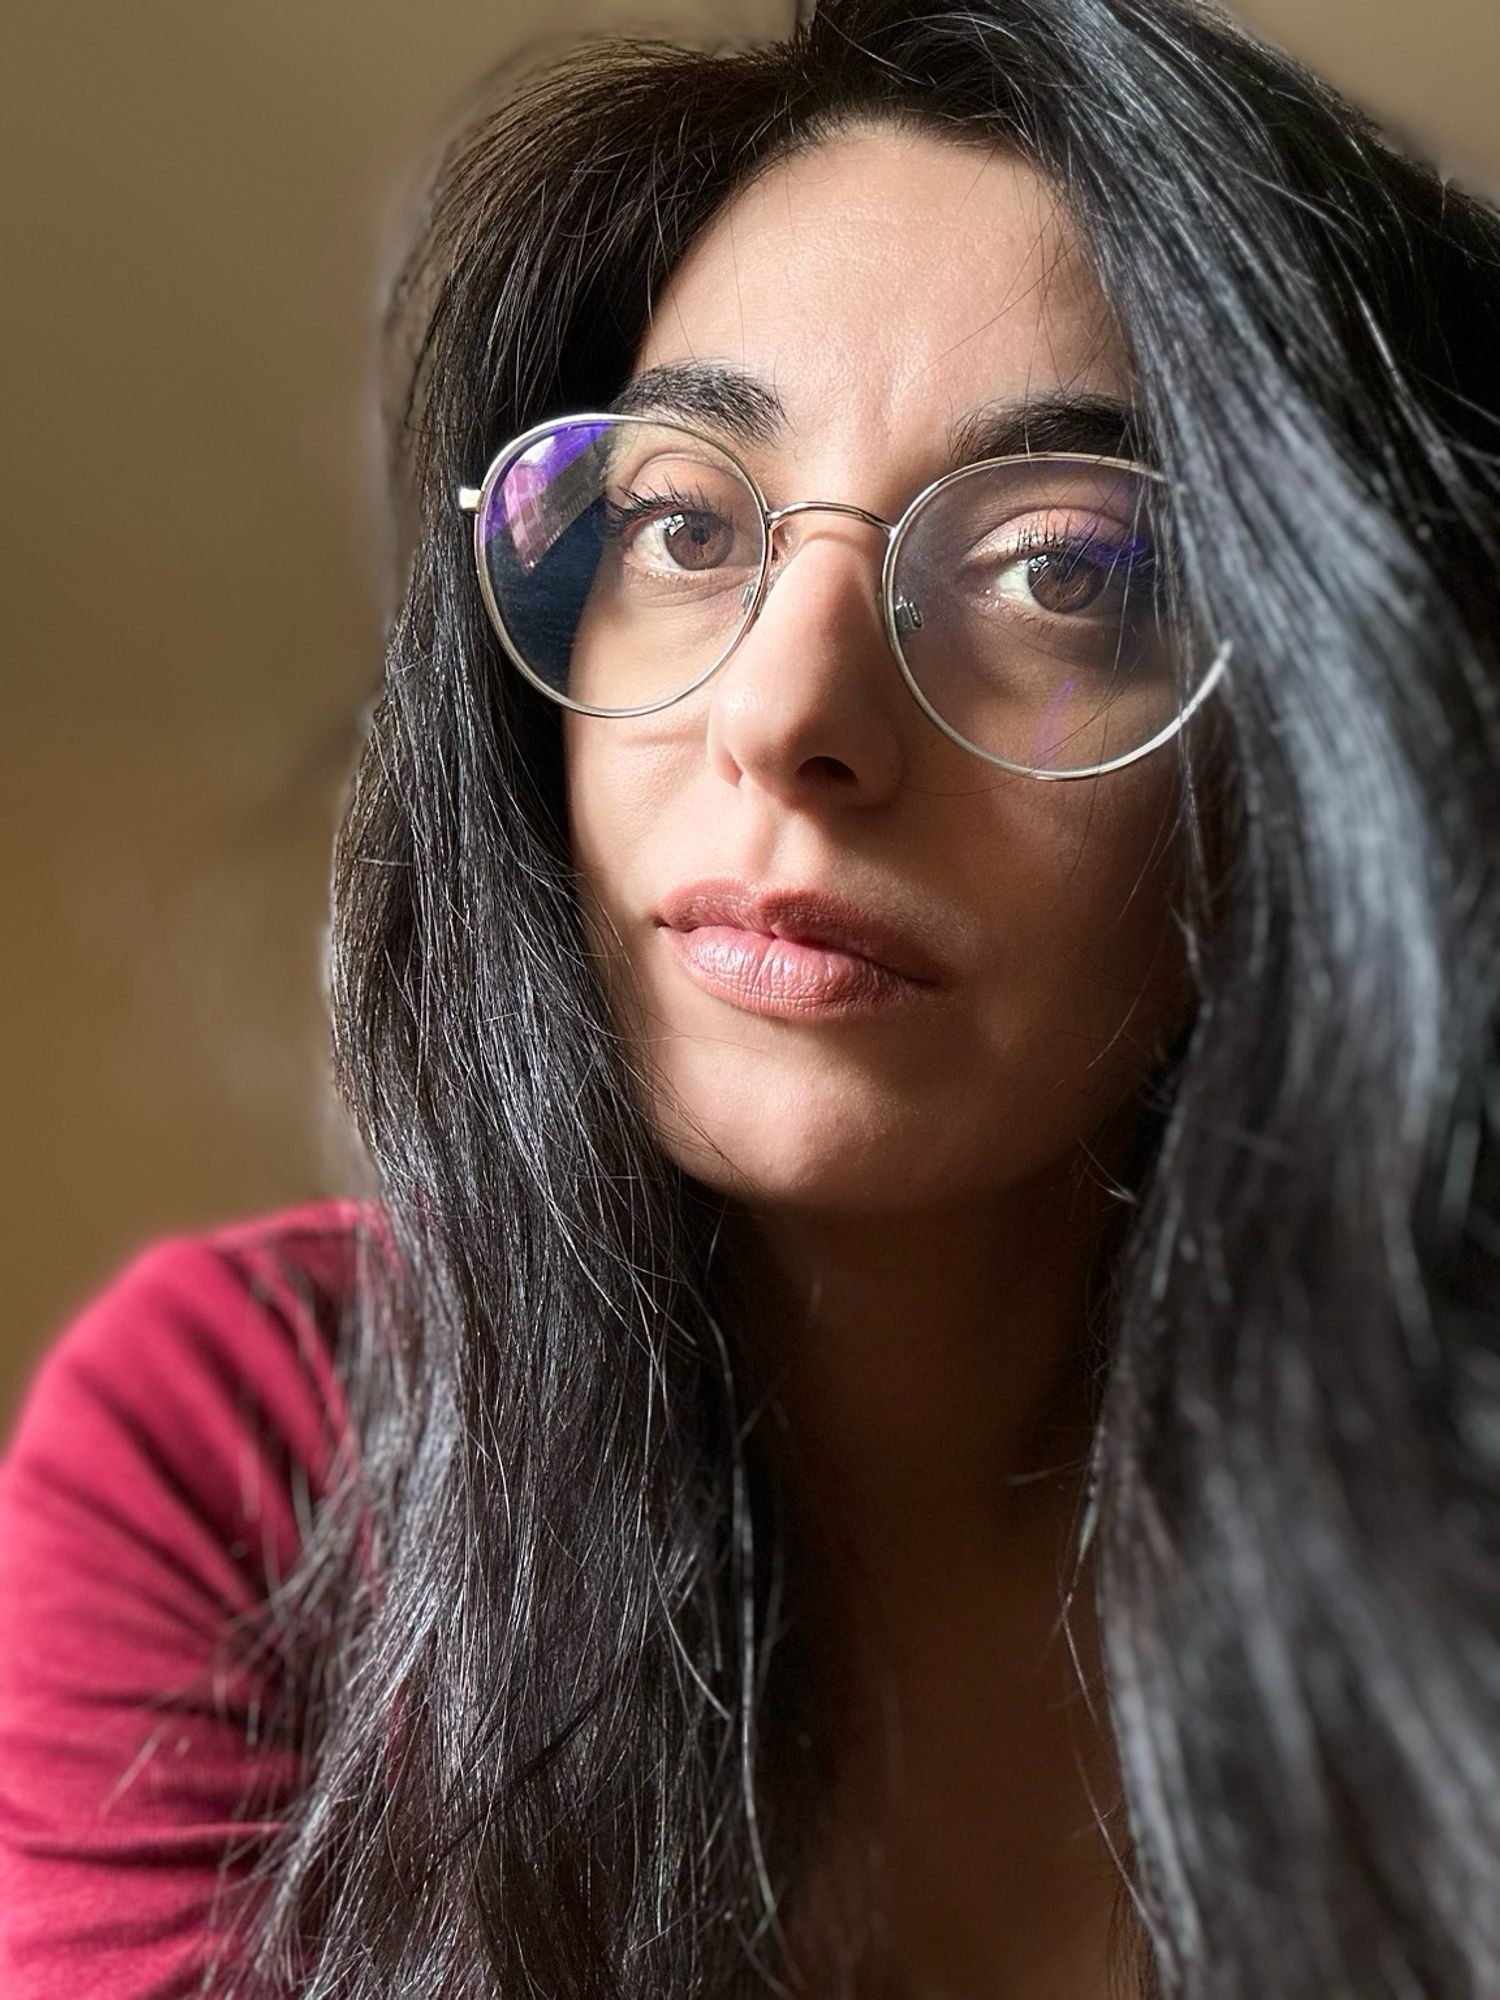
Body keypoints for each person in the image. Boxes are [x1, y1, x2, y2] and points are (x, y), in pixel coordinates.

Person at [2, 0, 1498, 1994]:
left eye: (1067, 571)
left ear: (1323, 757)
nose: (786, 712)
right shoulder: (241, 1456)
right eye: (686, 530)